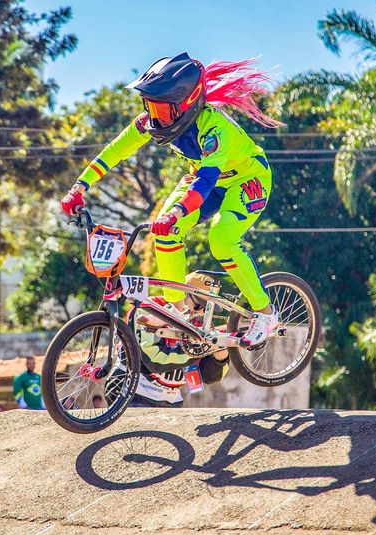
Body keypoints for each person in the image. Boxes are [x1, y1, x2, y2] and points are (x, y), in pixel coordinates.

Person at [61, 53, 282, 347]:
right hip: (203, 179)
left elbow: (205, 181)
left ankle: (266, 314)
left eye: (161, 109)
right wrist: (79, 186)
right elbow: (115, 151)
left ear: (186, 105)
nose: (154, 117)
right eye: (150, 106)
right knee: (163, 231)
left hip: (245, 179)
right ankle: (177, 310)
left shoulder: (215, 129)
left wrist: (177, 211)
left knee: (221, 239)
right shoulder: (149, 124)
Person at [114, 272, 231, 408]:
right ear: (183, 294)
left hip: (172, 401)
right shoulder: (150, 307)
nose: (200, 312)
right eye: (198, 305)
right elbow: (154, 359)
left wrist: (220, 357)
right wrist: (197, 350)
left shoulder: (200, 325)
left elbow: (209, 377)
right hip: (132, 393)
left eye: (207, 309)